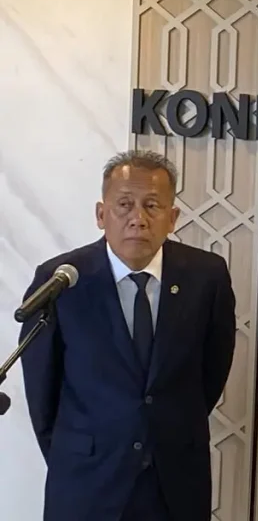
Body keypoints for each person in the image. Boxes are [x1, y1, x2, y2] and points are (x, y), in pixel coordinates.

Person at [18, 150, 237, 521]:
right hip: (86, 481)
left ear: (172, 218)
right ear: (101, 214)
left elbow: (212, 372)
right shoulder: (62, 279)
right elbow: (42, 390)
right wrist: (79, 453)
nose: (138, 218)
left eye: (152, 205)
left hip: (174, 481)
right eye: (124, 205)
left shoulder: (206, 277)